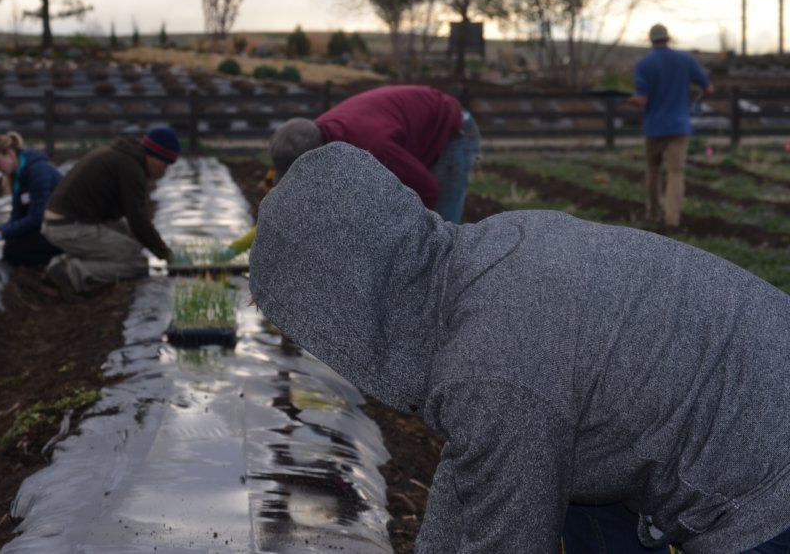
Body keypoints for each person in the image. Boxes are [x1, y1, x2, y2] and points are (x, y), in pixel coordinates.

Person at [248, 142, 790, 553]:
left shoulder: (492, 368)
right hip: (747, 390)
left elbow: (507, 538)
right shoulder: (495, 249)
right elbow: (474, 468)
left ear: (344, 294)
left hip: (762, 474)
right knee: (567, 496)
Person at [269, 84, 479, 224]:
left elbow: (427, 190)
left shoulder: (373, 148)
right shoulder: (319, 133)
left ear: (317, 160)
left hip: (453, 132)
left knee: (440, 230)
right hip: (414, 131)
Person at [41, 127, 180, 299]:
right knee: (137, 261)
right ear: (153, 154)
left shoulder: (123, 156)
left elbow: (133, 223)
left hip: (65, 220)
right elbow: (139, 221)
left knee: (126, 236)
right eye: (164, 162)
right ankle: (73, 272)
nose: (164, 170)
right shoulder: (131, 168)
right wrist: (166, 254)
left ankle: (59, 264)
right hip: (68, 226)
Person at [627, 24, 712, 228]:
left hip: (655, 127)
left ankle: (653, 214)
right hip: (680, 126)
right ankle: (672, 219)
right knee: (676, 172)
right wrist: (694, 101)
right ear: (668, 38)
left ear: (651, 40)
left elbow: (642, 100)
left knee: (653, 170)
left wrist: (626, 100)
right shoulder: (686, 60)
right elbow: (708, 88)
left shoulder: (644, 64)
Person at [0, 131, 63, 267]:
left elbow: (37, 217)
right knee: (12, 246)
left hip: (63, 229)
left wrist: (1, 234)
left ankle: (61, 261)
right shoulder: (19, 178)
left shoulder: (38, 172)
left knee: (14, 252)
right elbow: (17, 216)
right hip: (47, 227)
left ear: (10, 154)